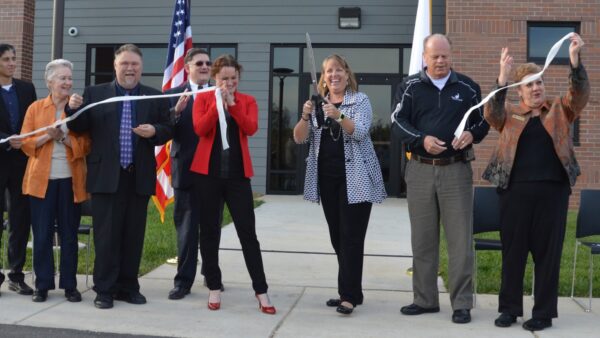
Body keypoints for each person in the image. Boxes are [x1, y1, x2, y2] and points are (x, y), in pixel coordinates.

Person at [483, 34, 589, 331]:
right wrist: (502, 79)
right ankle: (509, 309)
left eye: (539, 82)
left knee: (547, 254)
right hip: (514, 193)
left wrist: (575, 62)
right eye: (529, 84)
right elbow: (489, 112)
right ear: (520, 91)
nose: (536, 87)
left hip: (552, 193)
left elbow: (579, 94)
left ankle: (543, 313)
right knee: (513, 252)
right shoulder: (508, 113)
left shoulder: (559, 109)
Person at [392, 33, 489, 324]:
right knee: (423, 239)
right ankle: (424, 300)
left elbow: (483, 121)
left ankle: (461, 304)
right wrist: (421, 140)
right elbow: (396, 122)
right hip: (420, 169)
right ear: (424, 57)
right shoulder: (409, 87)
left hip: (456, 170)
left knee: (459, 240)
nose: (440, 60)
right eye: (435, 56)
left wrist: (473, 134)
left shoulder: (468, 87)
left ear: (451, 56)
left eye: (445, 55)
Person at [66, 44, 173, 309]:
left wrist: (155, 131)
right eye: (124, 63)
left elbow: (169, 128)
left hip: (138, 177)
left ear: (141, 67)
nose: (130, 68)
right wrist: (71, 109)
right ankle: (104, 290)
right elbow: (79, 126)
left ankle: (128, 287)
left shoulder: (153, 96)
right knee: (106, 236)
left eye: (134, 64)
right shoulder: (96, 93)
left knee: (133, 236)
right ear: (115, 66)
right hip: (105, 177)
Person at [293, 54, 386, 315]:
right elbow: (299, 139)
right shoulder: (317, 105)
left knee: (351, 238)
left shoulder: (360, 100)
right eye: (328, 71)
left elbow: (360, 131)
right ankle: (351, 291)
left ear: (347, 74)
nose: (333, 75)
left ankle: (348, 296)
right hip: (327, 179)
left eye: (338, 70)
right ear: (323, 78)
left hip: (356, 178)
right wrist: (304, 116)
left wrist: (339, 114)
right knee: (337, 238)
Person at [190, 54, 275, 314]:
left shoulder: (247, 101)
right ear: (215, 78)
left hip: (238, 177)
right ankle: (214, 287)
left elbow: (251, 128)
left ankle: (261, 291)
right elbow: (200, 129)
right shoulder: (203, 99)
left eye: (233, 78)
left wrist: (232, 105)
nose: (229, 83)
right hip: (207, 176)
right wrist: (218, 105)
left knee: (248, 234)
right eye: (224, 79)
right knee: (210, 232)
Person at [19, 59, 89, 302]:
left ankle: (70, 285)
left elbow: (87, 145)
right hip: (41, 182)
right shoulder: (36, 108)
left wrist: (64, 139)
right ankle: (43, 285)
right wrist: (47, 137)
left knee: (69, 235)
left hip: (71, 181)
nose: (68, 83)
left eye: (70, 78)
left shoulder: (79, 109)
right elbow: (25, 144)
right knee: (42, 235)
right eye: (63, 78)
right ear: (49, 82)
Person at [165, 48, 223, 300]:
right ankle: (183, 281)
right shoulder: (172, 95)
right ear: (187, 66)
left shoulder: (219, 93)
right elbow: (163, 130)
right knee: (187, 229)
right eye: (199, 63)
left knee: (211, 227)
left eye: (208, 63)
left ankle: (212, 277)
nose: (204, 66)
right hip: (186, 170)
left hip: (213, 172)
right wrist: (175, 112)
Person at [0, 43, 36, 297]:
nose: (12, 63)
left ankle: (16, 275)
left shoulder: (26, 88)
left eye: (13, 59)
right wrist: (5, 138)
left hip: (22, 163)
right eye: (6, 60)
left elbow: (34, 119)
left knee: (20, 221)